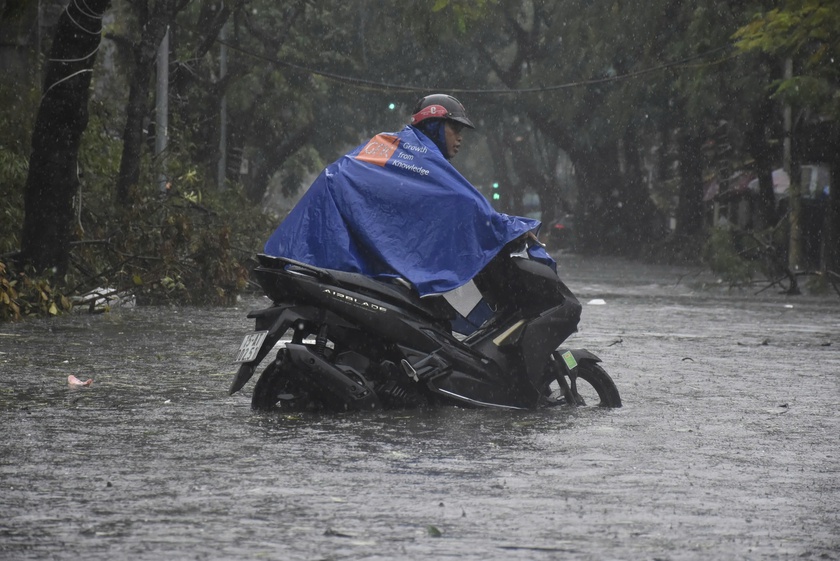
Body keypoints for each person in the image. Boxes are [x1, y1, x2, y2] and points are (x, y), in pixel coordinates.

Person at [263, 93, 553, 299]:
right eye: (454, 128)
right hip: (338, 259)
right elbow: (463, 202)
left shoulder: (394, 146)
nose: (460, 137)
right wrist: (510, 229)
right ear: (434, 126)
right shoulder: (420, 157)